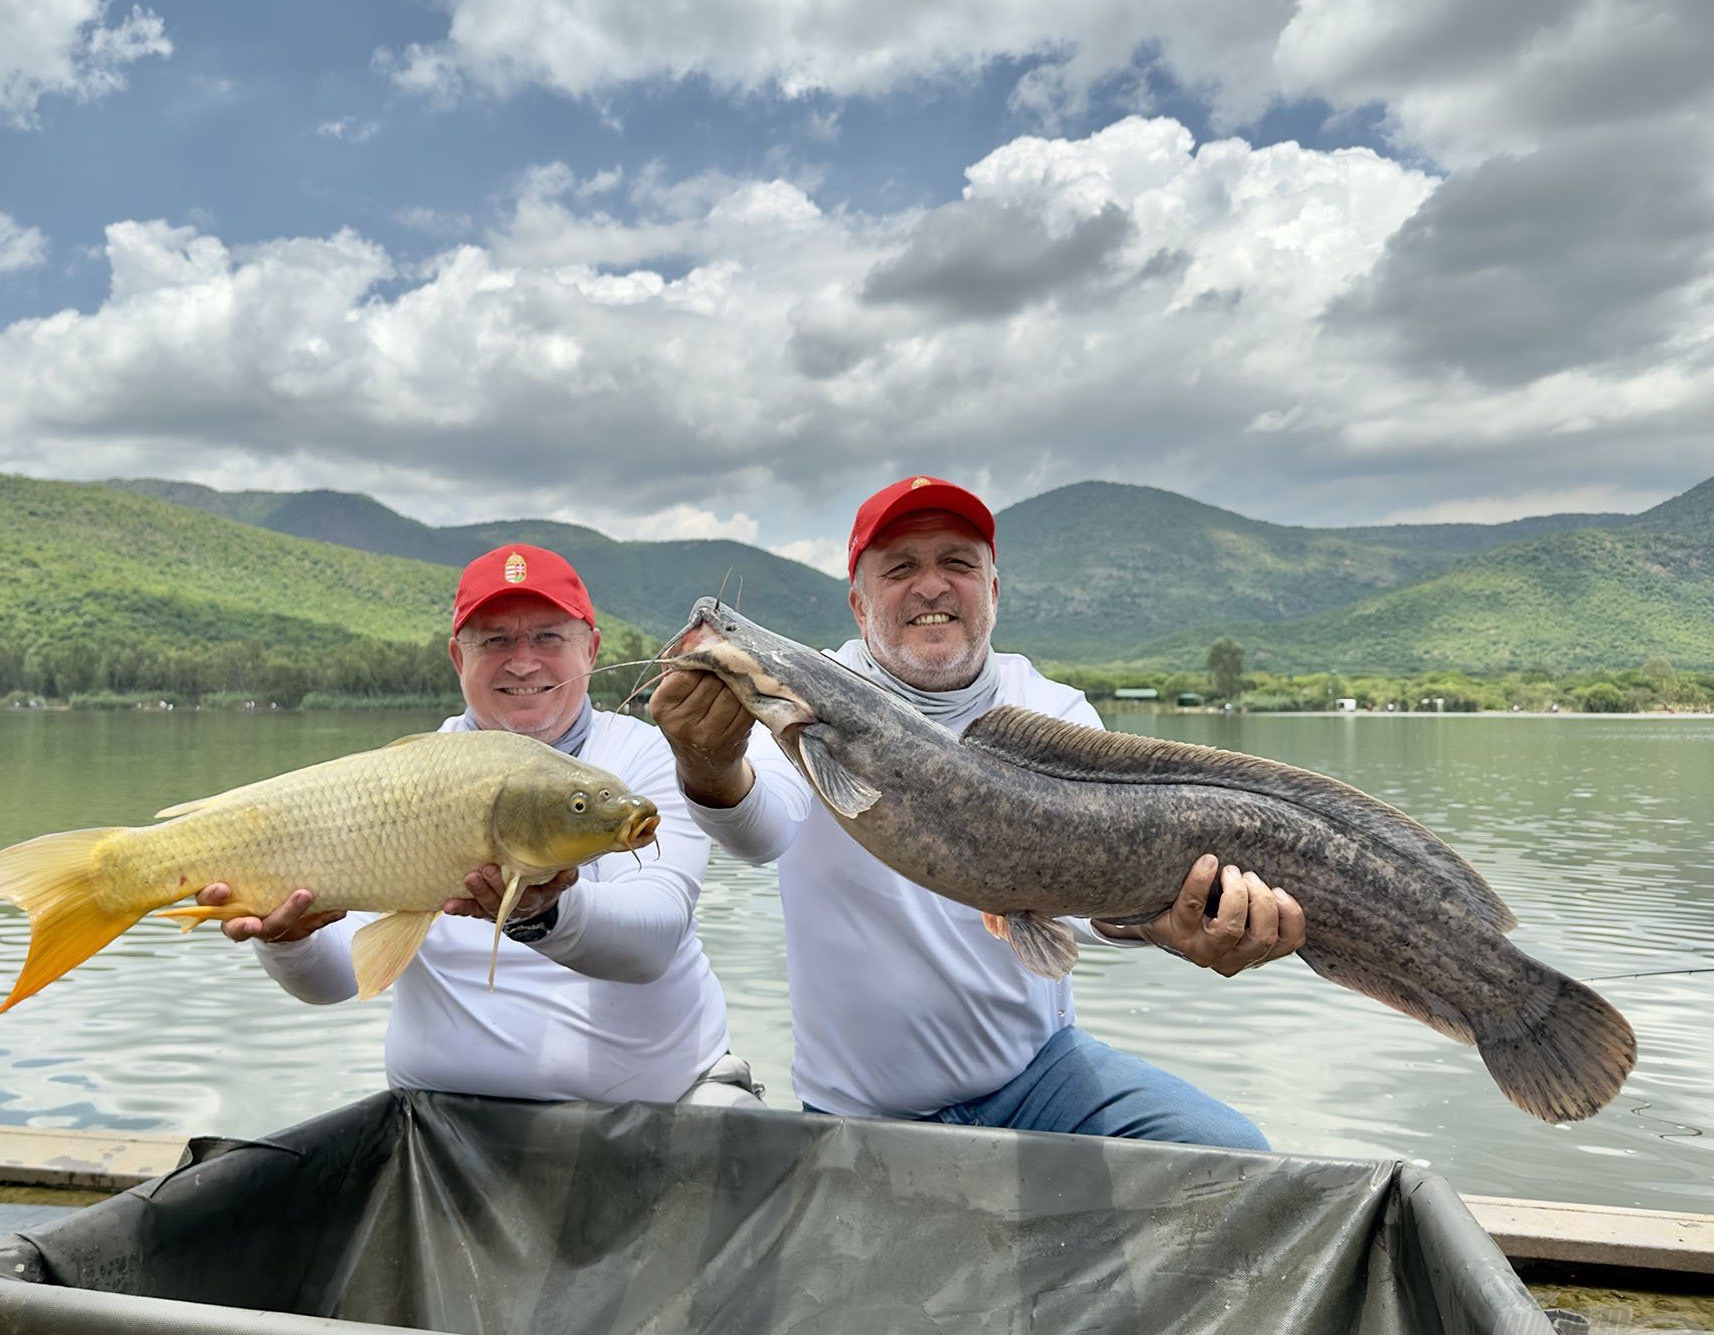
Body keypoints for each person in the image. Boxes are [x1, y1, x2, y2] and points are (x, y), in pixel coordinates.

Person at [651, 476, 1302, 1145]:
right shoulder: (805, 696)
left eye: (957, 564)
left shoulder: (1054, 709)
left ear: (992, 591)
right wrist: (708, 761)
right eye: (900, 567)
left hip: (1040, 1080)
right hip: (860, 1110)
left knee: (1235, 1154)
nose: (931, 586)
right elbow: (761, 831)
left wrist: (1177, 925)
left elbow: (1096, 907)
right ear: (857, 603)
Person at [202, 543, 761, 1107]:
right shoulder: (402, 778)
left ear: (591, 647)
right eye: (495, 641)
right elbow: (335, 980)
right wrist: (289, 941)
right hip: (437, 1122)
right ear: (457, 658)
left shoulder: (647, 759)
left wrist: (542, 911)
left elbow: (652, 940)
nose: (522, 661)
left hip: (653, 1117)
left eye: (548, 636)